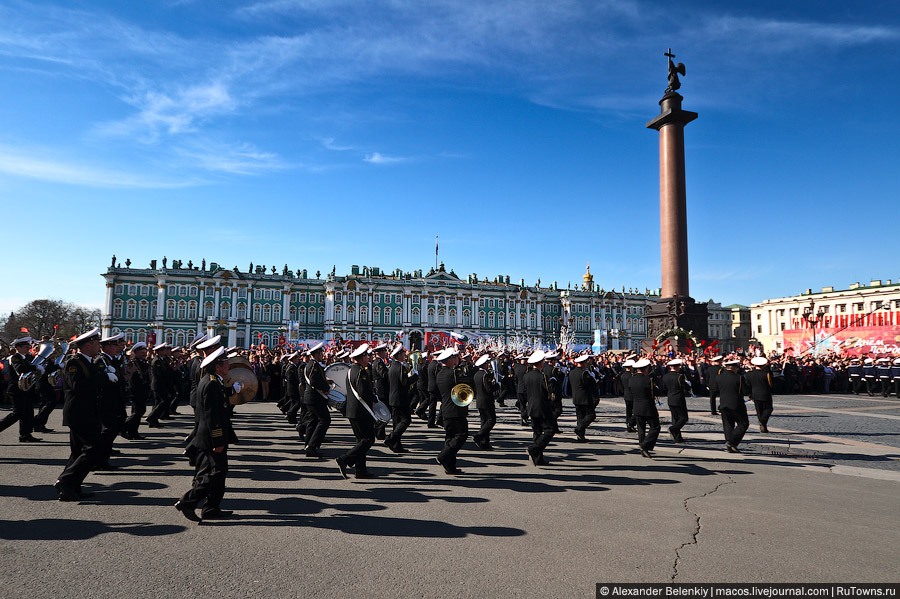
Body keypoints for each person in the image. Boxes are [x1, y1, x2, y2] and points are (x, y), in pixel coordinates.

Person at [175, 346, 234, 522]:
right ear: (217, 366)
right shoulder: (211, 384)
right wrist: (217, 440)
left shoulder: (213, 380)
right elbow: (211, 417)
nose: (229, 366)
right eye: (226, 363)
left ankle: (211, 508)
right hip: (211, 438)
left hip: (214, 436)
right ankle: (188, 501)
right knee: (216, 473)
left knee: (218, 472)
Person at [54, 328, 104, 501]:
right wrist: (102, 378)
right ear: (88, 345)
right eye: (97, 343)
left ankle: (72, 487)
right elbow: (79, 387)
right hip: (78, 411)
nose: (99, 346)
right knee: (94, 448)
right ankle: (66, 480)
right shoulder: (74, 362)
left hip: (86, 410)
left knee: (77, 452)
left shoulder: (89, 361)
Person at [336, 344, 378, 479]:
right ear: (361, 358)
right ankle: (345, 459)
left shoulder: (351, 370)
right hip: (361, 410)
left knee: (360, 440)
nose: (369, 357)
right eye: (367, 355)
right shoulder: (361, 371)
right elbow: (362, 392)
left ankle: (360, 470)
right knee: (369, 439)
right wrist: (374, 399)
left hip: (353, 410)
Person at [435, 347, 472, 474]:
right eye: (454, 357)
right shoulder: (454, 373)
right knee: (461, 435)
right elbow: (467, 386)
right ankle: (443, 456)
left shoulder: (440, 373)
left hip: (445, 409)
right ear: (450, 359)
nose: (456, 359)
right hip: (456, 410)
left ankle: (450, 467)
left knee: (450, 438)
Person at [94, 333, 127, 470]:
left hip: (114, 397)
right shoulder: (101, 360)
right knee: (108, 429)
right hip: (105, 399)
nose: (117, 347)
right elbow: (100, 380)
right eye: (114, 345)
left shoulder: (111, 359)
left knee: (115, 424)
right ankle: (100, 460)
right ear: (106, 347)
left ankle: (104, 454)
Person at [0, 337, 42, 442]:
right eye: (26, 347)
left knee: (28, 412)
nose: (28, 348)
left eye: (29, 346)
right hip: (16, 389)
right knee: (17, 413)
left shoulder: (25, 358)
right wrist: (35, 368)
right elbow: (20, 369)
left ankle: (25, 434)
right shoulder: (15, 357)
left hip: (24, 389)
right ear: (18, 347)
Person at [523, 350, 555, 466]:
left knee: (537, 432)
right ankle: (534, 448)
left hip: (531, 407)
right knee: (550, 430)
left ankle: (538, 459)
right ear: (540, 363)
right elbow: (549, 393)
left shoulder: (527, 376)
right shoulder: (543, 376)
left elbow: (525, 392)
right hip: (543, 407)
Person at [301, 343, 331, 458]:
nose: (322, 355)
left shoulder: (311, 364)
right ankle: (312, 446)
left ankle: (308, 445)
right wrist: (326, 388)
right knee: (325, 420)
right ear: (317, 354)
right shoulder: (314, 365)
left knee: (312, 422)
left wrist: (326, 382)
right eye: (321, 353)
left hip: (310, 398)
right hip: (315, 398)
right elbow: (314, 382)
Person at [384, 345, 414, 453]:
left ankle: (397, 445)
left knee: (396, 423)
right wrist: (415, 377)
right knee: (406, 420)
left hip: (393, 397)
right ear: (399, 355)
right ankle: (391, 438)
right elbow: (405, 382)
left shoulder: (392, 366)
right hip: (400, 398)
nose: (404, 356)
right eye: (403, 354)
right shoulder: (400, 367)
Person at [629, 358, 660, 458]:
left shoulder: (632, 379)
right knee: (655, 427)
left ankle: (643, 448)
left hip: (637, 406)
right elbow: (656, 392)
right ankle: (645, 445)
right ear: (645, 369)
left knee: (641, 429)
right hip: (648, 406)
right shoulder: (648, 380)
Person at [717, 358, 750, 453]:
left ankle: (730, 443)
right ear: (734, 367)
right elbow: (744, 391)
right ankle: (732, 442)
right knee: (743, 423)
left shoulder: (719, 377)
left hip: (723, 404)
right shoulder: (739, 377)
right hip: (736, 404)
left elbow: (715, 389)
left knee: (728, 425)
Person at [121, 342, 149, 440]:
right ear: (135, 352)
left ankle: (133, 432)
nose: (144, 354)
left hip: (142, 389)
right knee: (139, 411)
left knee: (138, 411)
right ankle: (124, 427)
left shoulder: (143, 362)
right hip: (135, 389)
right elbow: (131, 376)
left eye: (145, 352)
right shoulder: (132, 362)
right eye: (142, 352)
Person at [472, 354, 499, 450]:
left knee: (484, 422)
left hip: (479, 400)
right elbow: (489, 389)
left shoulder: (476, 374)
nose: (488, 365)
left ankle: (485, 443)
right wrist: (496, 385)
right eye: (487, 363)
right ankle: (479, 436)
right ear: (484, 365)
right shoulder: (485, 375)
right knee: (491, 420)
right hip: (486, 400)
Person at [570, 354, 599, 442]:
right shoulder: (584, 373)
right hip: (585, 397)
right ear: (583, 363)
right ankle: (579, 428)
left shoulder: (572, 372)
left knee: (580, 417)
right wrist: (593, 379)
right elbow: (590, 384)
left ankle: (580, 436)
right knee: (591, 415)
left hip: (576, 397)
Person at [660, 358, 689, 443]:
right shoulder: (680, 376)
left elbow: (664, 388)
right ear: (677, 367)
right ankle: (673, 429)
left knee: (675, 418)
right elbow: (686, 387)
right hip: (679, 398)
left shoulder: (665, 376)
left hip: (670, 398)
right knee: (683, 418)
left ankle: (677, 437)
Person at [746, 356, 774, 433]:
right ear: (764, 365)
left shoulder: (749, 374)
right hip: (765, 394)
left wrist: (750, 394)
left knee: (759, 411)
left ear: (754, 365)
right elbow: (771, 384)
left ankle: (763, 426)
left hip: (755, 394)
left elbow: (748, 385)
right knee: (768, 409)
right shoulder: (766, 374)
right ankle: (763, 422)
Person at [619, 359, 637, 432]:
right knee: (635, 411)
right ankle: (631, 424)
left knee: (628, 411)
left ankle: (628, 425)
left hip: (626, 395)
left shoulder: (623, 375)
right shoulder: (632, 376)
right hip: (632, 395)